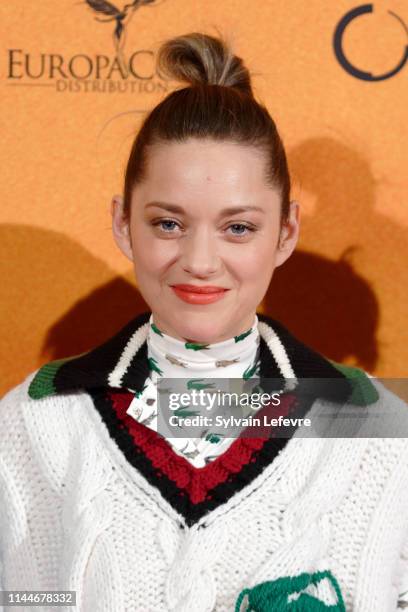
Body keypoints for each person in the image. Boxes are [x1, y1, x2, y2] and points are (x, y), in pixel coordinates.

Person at [1, 31, 407, 612]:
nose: (198, 261)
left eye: (237, 228)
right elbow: (23, 601)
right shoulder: (33, 425)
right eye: (168, 223)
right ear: (123, 223)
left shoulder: (382, 434)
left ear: (285, 232)